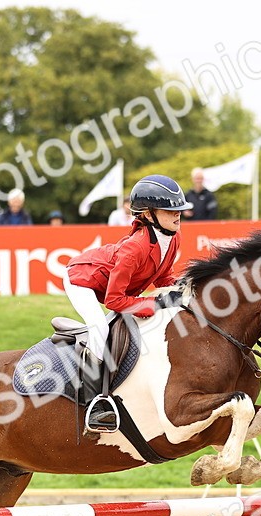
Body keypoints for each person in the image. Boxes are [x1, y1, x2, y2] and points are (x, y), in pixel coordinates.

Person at [65, 174, 192, 432]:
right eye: (169, 210)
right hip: (81, 280)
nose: (177, 214)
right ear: (148, 214)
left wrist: (185, 288)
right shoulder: (135, 248)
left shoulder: (173, 237)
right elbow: (114, 300)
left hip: (111, 286)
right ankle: (95, 402)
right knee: (100, 328)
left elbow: (163, 277)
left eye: (178, 209)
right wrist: (153, 304)